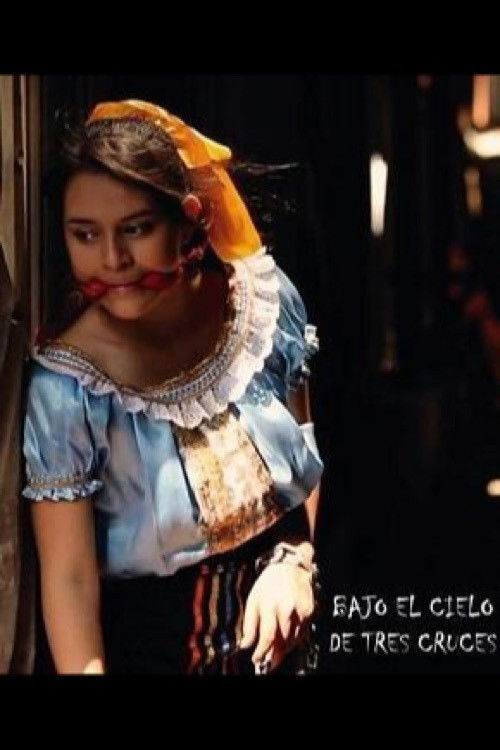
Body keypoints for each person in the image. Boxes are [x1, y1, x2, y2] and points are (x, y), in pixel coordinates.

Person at [21, 99, 324, 675]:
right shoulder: (68, 388)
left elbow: (304, 462)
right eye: (85, 235)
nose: (113, 259)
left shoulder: (263, 310)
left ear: (189, 219)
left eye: (136, 229)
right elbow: (70, 579)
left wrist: (295, 562)